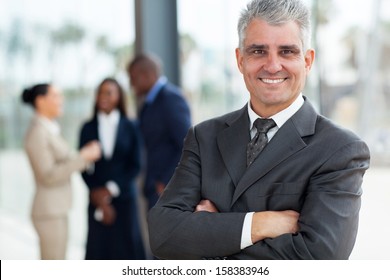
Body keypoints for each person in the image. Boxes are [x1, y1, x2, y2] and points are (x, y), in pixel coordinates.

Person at [148, 0, 370, 260]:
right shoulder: (204, 137)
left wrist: (213, 238)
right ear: (240, 60)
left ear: (308, 61)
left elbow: (318, 258)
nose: (273, 65)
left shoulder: (340, 150)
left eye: (287, 52)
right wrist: (260, 224)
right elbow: (163, 235)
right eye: (258, 51)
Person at [22, 83, 101, 260]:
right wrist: (83, 157)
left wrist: (83, 155)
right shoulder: (37, 133)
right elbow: (48, 175)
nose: (61, 100)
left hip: (56, 210)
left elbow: (62, 160)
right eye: (56, 96)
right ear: (41, 101)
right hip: (48, 212)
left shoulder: (49, 130)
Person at [79, 78, 146, 260]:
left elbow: (136, 165)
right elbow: (83, 166)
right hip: (96, 199)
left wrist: (111, 189)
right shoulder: (87, 128)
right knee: (98, 250)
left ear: (119, 97)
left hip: (124, 198)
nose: (104, 96)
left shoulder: (131, 126)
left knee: (127, 250)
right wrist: (97, 193)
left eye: (109, 92)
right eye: (101, 92)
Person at [127, 53, 191, 209]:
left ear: (147, 75)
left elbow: (187, 144)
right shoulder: (148, 103)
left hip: (166, 189)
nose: (131, 84)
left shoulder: (171, 100)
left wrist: (167, 181)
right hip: (154, 188)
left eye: (133, 78)